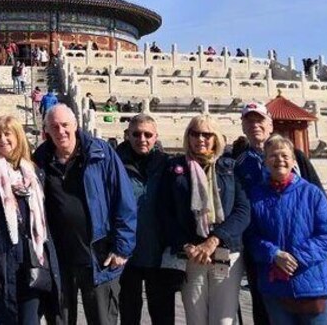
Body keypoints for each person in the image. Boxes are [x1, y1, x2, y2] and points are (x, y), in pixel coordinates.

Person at [33, 104, 137, 325]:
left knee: (102, 319)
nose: (60, 131)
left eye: (65, 125)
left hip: (97, 256)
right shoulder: (40, 159)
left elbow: (124, 200)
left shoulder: (100, 153)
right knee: (60, 320)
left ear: (76, 125)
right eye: (54, 127)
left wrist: (122, 248)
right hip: (58, 258)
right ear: (46, 131)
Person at [233, 101, 321, 324]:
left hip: (300, 250)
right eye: (249, 121)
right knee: (263, 307)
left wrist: (304, 251)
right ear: (243, 126)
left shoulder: (296, 158)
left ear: (270, 124)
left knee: (305, 307)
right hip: (261, 250)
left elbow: (318, 201)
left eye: (260, 120)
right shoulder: (238, 163)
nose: (255, 125)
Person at [160, 115, 249, 325]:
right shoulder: (175, 169)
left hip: (226, 251)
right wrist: (187, 245)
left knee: (223, 320)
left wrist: (214, 240)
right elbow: (165, 212)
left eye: (207, 134)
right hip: (191, 254)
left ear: (216, 138)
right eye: (195, 133)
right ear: (188, 137)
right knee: (195, 319)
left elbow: (243, 210)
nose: (201, 139)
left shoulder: (230, 167)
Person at [0, 115, 61, 324]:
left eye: (7, 134)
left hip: (31, 261)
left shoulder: (34, 174)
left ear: (18, 137)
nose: (2, 139)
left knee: (30, 320)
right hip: (1, 260)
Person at [245, 136, 327, 324]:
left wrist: (297, 257)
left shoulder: (311, 193)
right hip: (275, 288)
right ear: (265, 161)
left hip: (312, 284)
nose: (279, 159)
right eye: (273, 155)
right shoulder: (255, 196)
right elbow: (249, 236)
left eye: (285, 155)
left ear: (294, 162)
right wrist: (274, 254)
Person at [116, 114, 177, 325]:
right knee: (128, 314)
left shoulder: (168, 165)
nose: (142, 139)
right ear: (127, 135)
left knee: (163, 315)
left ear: (156, 137)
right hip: (126, 253)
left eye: (148, 134)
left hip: (158, 252)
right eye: (136, 134)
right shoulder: (114, 164)